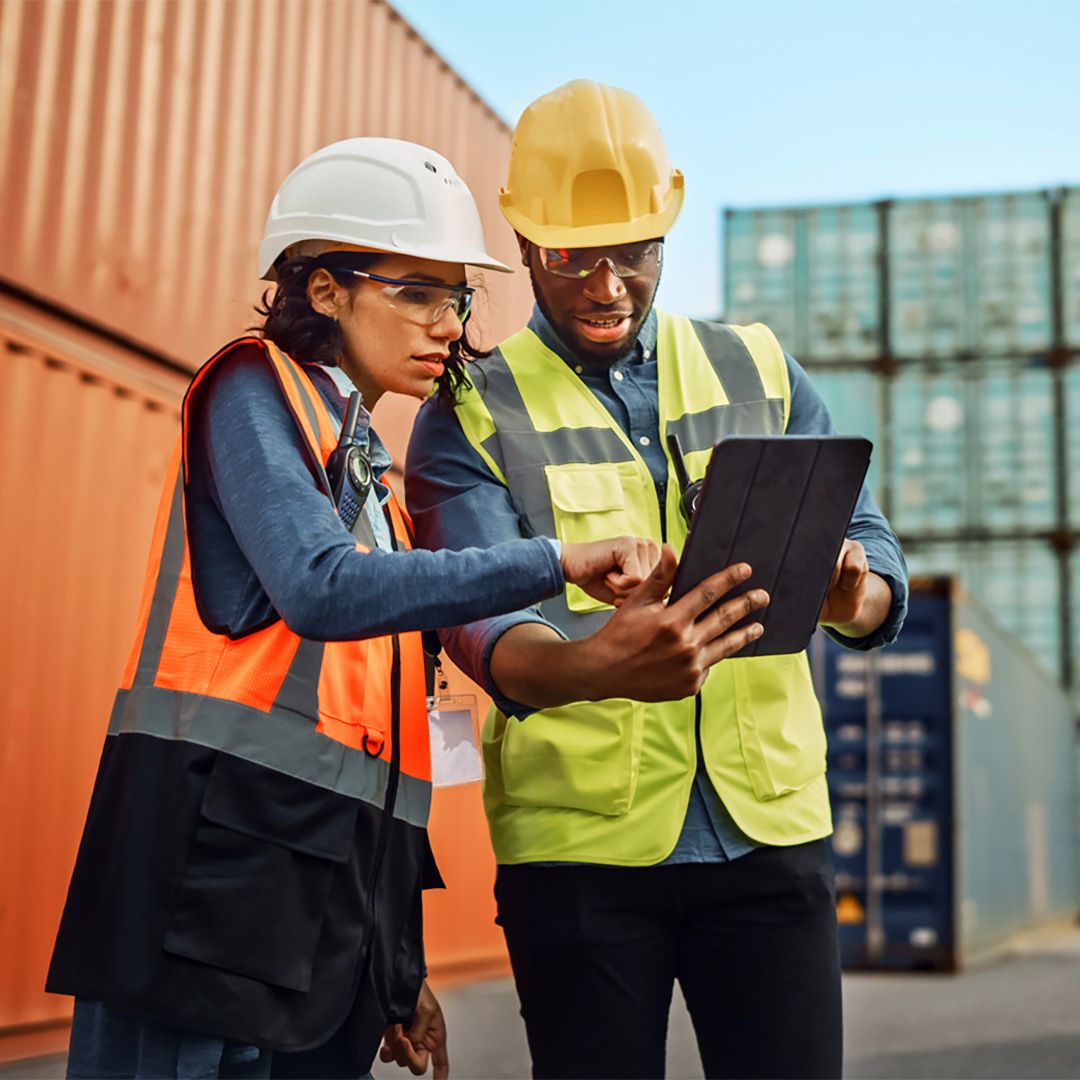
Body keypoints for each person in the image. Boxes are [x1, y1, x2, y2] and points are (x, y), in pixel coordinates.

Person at [46, 137, 658, 1080]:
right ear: (322, 288)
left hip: (318, 938)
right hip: (197, 905)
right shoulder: (253, 388)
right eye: (415, 293)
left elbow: (376, 752)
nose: (448, 325)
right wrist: (556, 559)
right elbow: (318, 585)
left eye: (456, 298)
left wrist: (396, 966)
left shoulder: (371, 476)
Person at [406, 81, 909, 1080]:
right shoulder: (466, 411)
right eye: (571, 257)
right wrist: (599, 666)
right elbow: (481, 629)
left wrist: (854, 596)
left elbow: (874, 549)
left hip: (770, 834)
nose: (607, 286)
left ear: (665, 233)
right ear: (521, 241)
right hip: (582, 858)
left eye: (633, 251)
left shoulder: (758, 366)